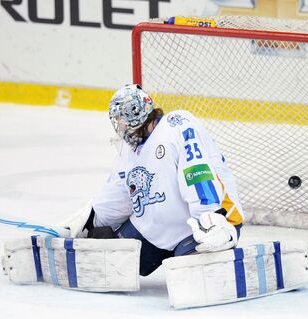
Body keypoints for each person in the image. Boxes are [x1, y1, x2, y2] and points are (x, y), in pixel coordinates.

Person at [84, 84, 244, 276]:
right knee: (110, 261)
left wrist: (212, 220)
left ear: (135, 116)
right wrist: (90, 222)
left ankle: (220, 241)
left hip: (203, 224)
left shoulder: (177, 125)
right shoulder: (128, 150)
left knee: (190, 276)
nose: (120, 127)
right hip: (155, 228)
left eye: (122, 120)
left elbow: (198, 173)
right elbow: (119, 195)